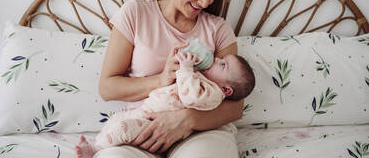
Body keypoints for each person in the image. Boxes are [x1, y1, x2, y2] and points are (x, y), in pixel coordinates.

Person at [90, 0, 245, 158]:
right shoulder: (136, 14)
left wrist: (187, 120)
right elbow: (108, 88)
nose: (205, 2)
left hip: (201, 131)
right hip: (141, 127)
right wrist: (162, 79)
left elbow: (235, 106)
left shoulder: (218, 29)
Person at [75, 52, 255, 158]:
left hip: (165, 125)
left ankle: (95, 149)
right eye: (220, 59)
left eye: (222, 65)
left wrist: (186, 68)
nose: (216, 59)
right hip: (146, 113)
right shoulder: (204, 80)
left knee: (122, 128)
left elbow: (190, 97)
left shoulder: (213, 93)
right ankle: (99, 145)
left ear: (227, 90)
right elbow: (107, 89)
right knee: (117, 121)